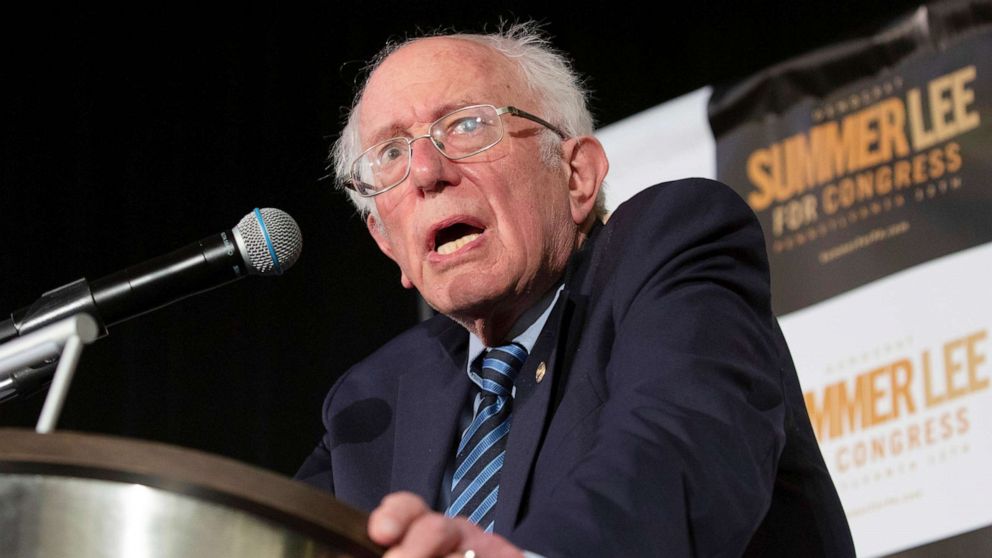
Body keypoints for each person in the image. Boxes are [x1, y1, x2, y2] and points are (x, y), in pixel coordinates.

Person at [296, 23, 855, 557]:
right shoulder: (371, 401)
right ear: (387, 243)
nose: (424, 172)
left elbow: (679, 450)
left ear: (577, 176)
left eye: (466, 125)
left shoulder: (668, 246)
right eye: (391, 152)